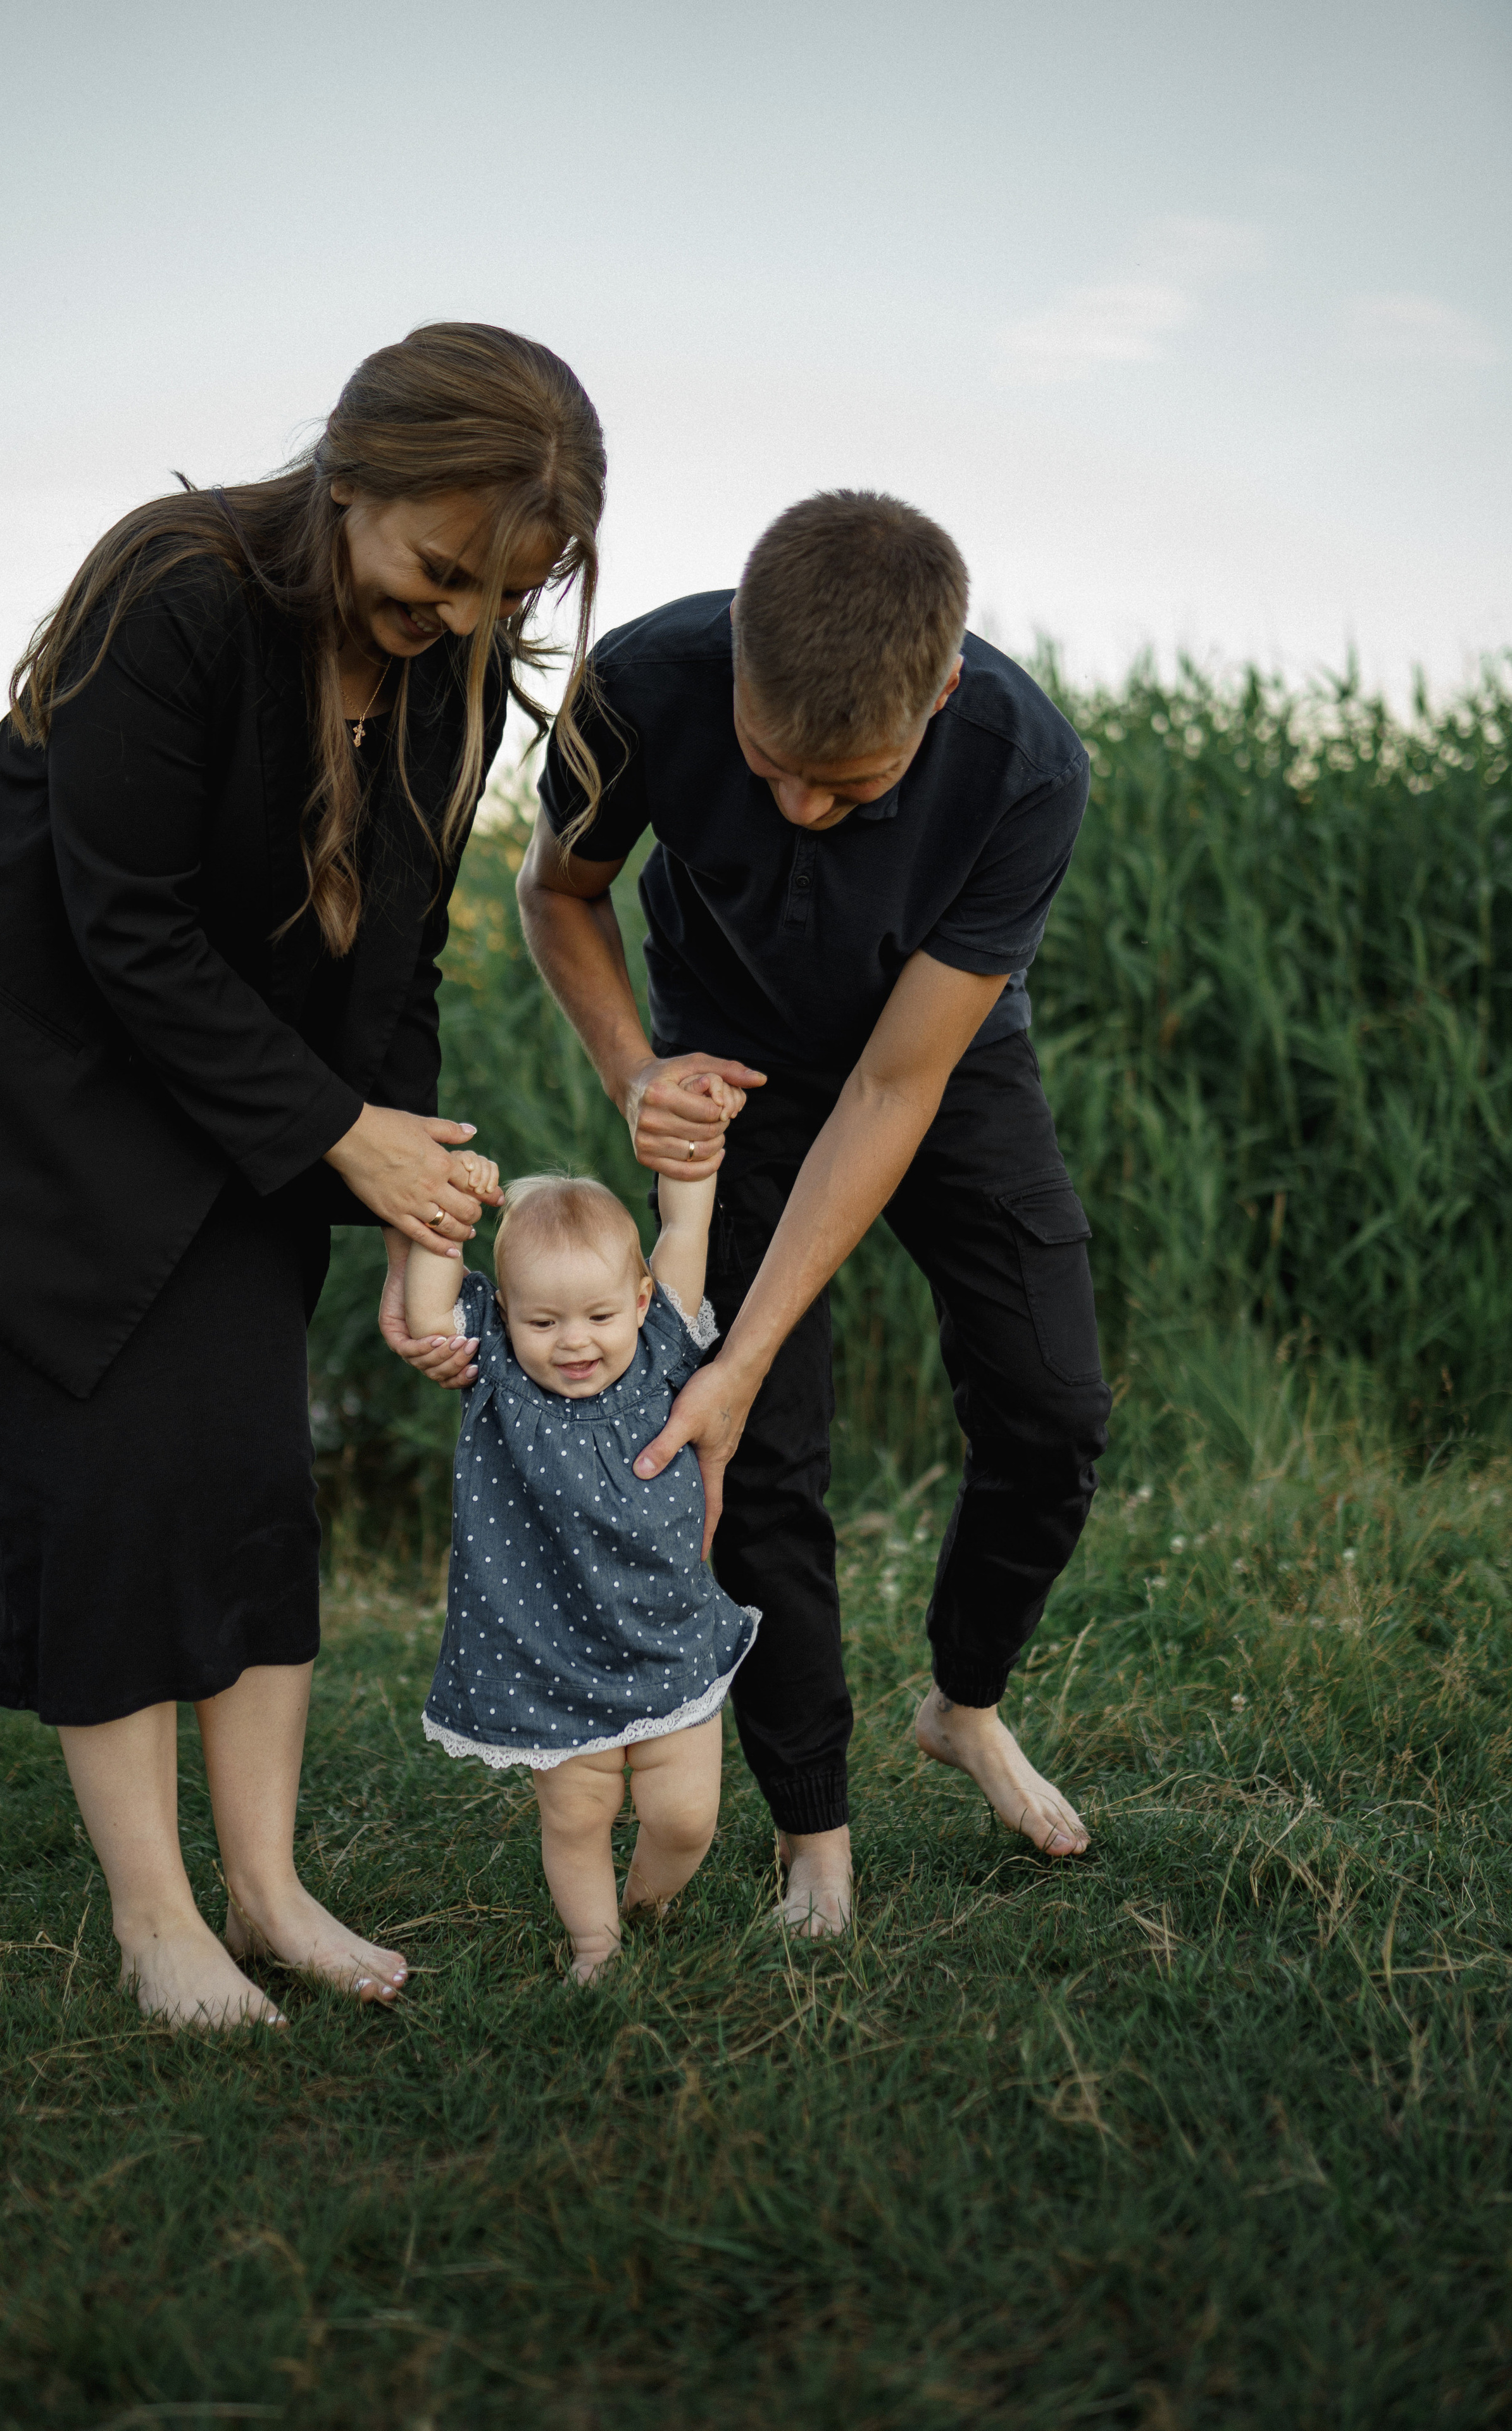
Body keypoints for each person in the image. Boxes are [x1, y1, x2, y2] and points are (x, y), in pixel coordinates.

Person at [0, 322, 605, 2028]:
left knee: (244, 1481)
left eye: (493, 598)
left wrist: (418, 1211)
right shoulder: (179, 587)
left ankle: (270, 1893)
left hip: (225, 1091)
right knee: (105, 1488)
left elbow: (399, 971)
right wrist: (332, 1134)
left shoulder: (445, 681)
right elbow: (121, 922)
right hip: (14, 1083)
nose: (448, 621)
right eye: (436, 571)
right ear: (353, 469)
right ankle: (157, 1927)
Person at [496, 489, 1111, 1937]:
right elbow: (554, 891)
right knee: (754, 1466)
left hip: (939, 1064)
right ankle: (811, 1831)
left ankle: (963, 1705)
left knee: (1052, 1405)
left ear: (940, 694)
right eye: (773, 768)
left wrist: (741, 1343)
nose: (799, 811)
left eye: (847, 787)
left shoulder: (1026, 769)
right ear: (731, 681)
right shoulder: (636, 689)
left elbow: (893, 1094)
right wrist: (636, 1072)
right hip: (727, 1069)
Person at [406, 1152, 757, 1984]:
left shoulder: (664, 1343)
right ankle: (596, 1947)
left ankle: (648, 1899)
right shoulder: (493, 1370)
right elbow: (428, 1307)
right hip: (548, 1651)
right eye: (543, 1322)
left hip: (664, 1638)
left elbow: (685, 1225)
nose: (573, 1343)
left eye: (598, 1315)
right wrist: (445, 1204)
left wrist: (696, 1152)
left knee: (685, 1818)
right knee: (578, 1812)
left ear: (638, 1301)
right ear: (509, 1318)